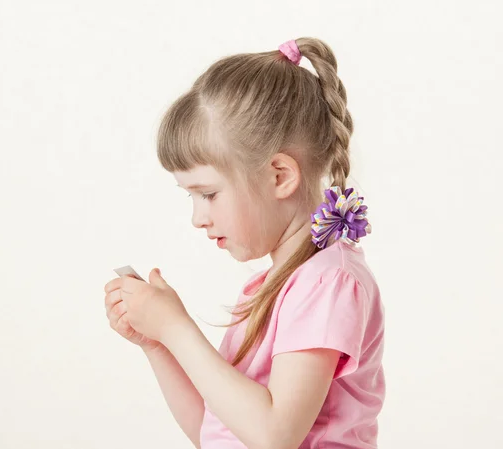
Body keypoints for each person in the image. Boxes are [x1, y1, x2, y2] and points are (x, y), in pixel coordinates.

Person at [104, 36, 385, 449]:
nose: (198, 218)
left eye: (209, 194)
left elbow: (275, 435)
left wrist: (177, 329)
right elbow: (214, 431)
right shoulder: (273, 287)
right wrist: (159, 344)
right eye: (191, 197)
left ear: (279, 177)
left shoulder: (327, 284)